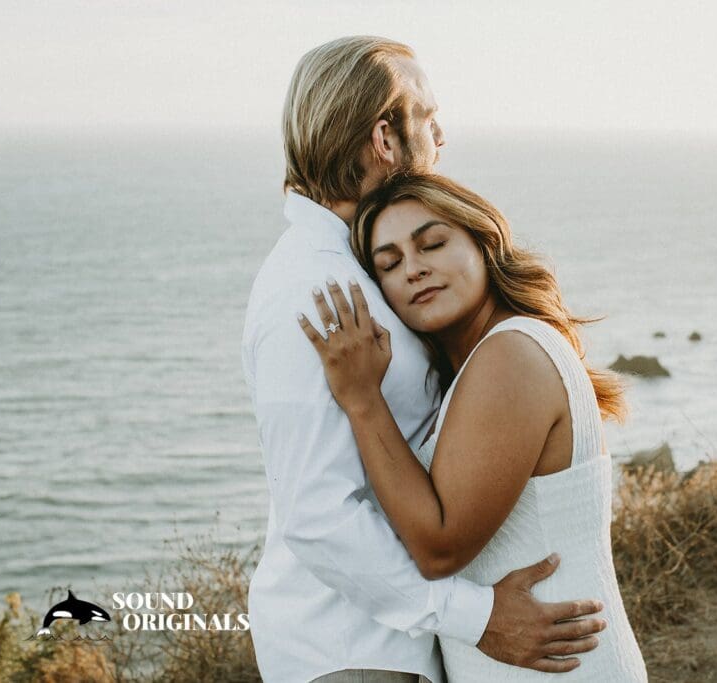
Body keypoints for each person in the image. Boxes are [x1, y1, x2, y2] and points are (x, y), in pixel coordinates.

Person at [242, 37, 607, 683]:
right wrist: (475, 616)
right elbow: (316, 514)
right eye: (429, 116)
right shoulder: (317, 291)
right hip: (351, 652)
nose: (441, 134)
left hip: (392, 643)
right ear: (385, 136)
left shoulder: (356, 269)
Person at [296, 172, 649, 681]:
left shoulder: (510, 355)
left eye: (432, 244)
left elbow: (440, 548)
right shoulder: (479, 366)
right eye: (390, 264)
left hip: (562, 668)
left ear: (484, 244)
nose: (414, 270)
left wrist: (362, 398)